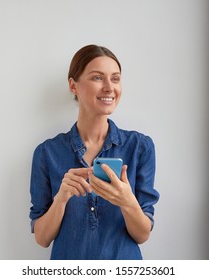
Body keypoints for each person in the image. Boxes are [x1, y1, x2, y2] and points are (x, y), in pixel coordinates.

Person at [29, 44, 160, 260]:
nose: (109, 87)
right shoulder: (46, 153)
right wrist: (61, 198)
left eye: (115, 79)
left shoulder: (140, 147)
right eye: (98, 78)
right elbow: (42, 239)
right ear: (73, 86)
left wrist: (127, 201)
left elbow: (142, 234)